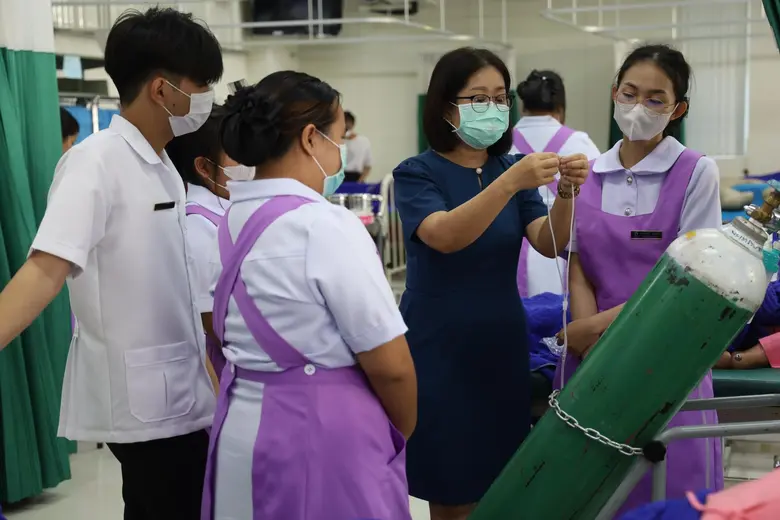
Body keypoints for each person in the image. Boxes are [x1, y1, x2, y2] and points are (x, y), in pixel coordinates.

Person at [0, 8, 223, 519]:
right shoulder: (95, 161)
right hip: (143, 399)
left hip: (178, 392)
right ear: (163, 90)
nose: (208, 94)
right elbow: (44, 270)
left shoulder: (163, 161)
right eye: (201, 83)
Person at [200, 72, 417, 520]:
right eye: (337, 139)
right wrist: (397, 434)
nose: (340, 154)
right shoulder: (324, 226)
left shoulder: (227, 219)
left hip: (241, 425)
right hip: (321, 434)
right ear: (310, 139)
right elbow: (393, 367)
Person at [393, 47, 589, 520]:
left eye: (500, 98)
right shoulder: (417, 172)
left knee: (502, 479)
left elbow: (549, 241)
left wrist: (565, 193)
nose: (494, 108)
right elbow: (443, 235)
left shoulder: (507, 168)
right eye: (479, 98)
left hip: (500, 341)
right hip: (440, 345)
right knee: (452, 487)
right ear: (446, 106)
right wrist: (508, 185)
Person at [556, 44, 723, 515]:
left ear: (678, 109)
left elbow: (690, 278)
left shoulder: (695, 172)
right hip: (591, 366)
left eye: (655, 99)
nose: (638, 107)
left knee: (667, 491)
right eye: (630, 93)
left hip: (668, 357)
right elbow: (578, 264)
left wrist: (590, 332)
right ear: (614, 93)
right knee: (595, 492)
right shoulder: (588, 173)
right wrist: (590, 346)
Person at [166, 106, 249, 387]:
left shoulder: (230, 211)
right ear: (203, 167)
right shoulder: (199, 228)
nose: (251, 161)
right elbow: (212, 324)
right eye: (238, 154)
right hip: (225, 370)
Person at [511, 69, 601, 297]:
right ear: (560, 108)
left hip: (510, 249)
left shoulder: (502, 145)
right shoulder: (580, 143)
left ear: (523, 107)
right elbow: (597, 201)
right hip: (564, 248)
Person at [344, 110, 373, 182]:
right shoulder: (335, 141)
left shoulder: (363, 141)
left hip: (357, 177)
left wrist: (360, 181)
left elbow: (368, 164)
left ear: (353, 124)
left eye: (348, 122)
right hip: (338, 178)